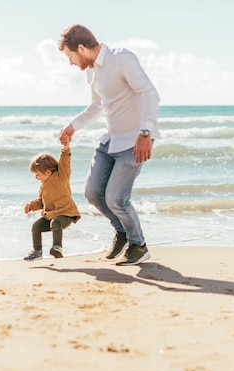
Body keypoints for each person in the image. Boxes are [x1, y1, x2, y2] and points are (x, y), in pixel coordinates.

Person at [57, 24, 160, 266]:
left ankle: (139, 245)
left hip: (135, 139)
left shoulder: (121, 58)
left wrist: (145, 132)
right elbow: (97, 105)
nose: (71, 63)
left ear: (81, 48)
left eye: (71, 56)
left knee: (116, 198)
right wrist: (73, 126)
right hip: (112, 138)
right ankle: (122, 231)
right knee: (93, 193)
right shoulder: (91, 71)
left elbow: (149, 93)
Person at [23, 139, 81, 261]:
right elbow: (41, 202)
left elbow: (65, 162)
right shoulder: (43, 186)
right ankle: (37, 251)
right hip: (51, 215)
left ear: (48, 172)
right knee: (36, 226)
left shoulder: (62, 176)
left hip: (66, 214)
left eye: (37, 174)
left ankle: (57, 247)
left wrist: (65, 147)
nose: (36, 177)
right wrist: (31, 205)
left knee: (56, 222)